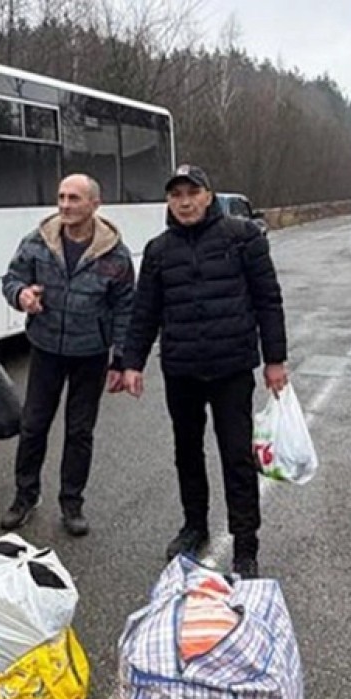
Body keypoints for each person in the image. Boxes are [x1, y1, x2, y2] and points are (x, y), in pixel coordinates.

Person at [121, 165, 288, 579]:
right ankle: (194, 526)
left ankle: (245, 544)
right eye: (176, 194)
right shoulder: (158, 251)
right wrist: (132, 363)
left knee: (236, 456)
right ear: (169, 201)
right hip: (182, 370)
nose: (185, 201)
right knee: (187, 453)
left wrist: (275, 360)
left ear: (208, 196)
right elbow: (145, 312)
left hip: (231, 368)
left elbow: (268, 299)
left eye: (192, 192)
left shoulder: (243, 237)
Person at [0, 174, 135, 536]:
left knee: (79, 431)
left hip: (90, 353)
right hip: (45, 349)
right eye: (61, 197)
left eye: (74, 198)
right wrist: (21, 296)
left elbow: (125, 309)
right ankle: (25, 497)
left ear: (95, 204)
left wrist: (121, 360)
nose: (65, 205)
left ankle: (72, 503)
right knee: (33, 426)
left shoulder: (115, 254)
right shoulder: (37, 242)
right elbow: (11, 279)